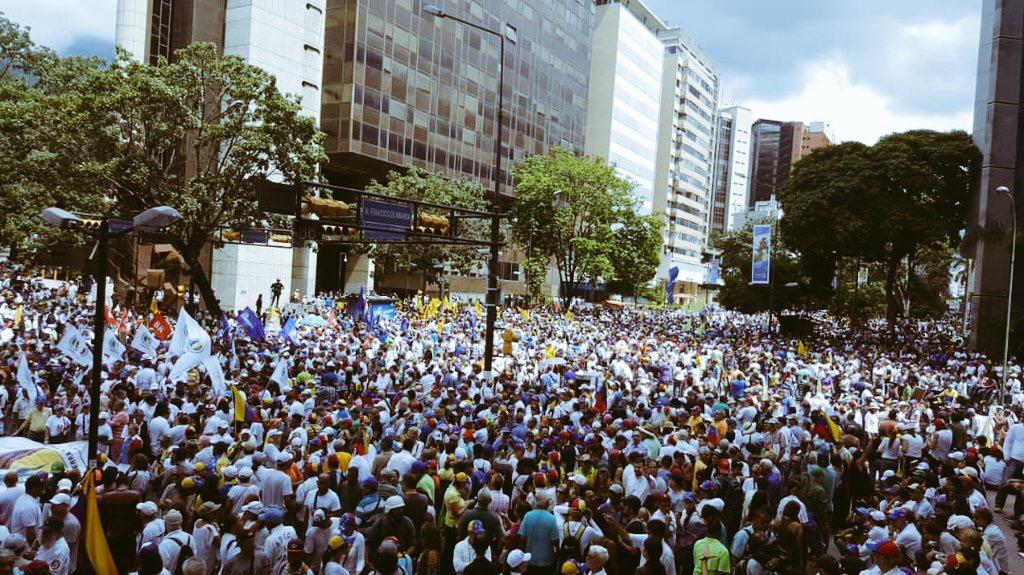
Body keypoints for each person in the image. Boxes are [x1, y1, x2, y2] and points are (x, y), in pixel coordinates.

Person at [518, 493, 558, 575]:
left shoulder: (527, 516)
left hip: (530, 561)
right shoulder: (552, 518)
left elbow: (522, 538)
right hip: (547, 562)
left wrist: (522, 557)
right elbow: (555, 541)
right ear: (547, 503)